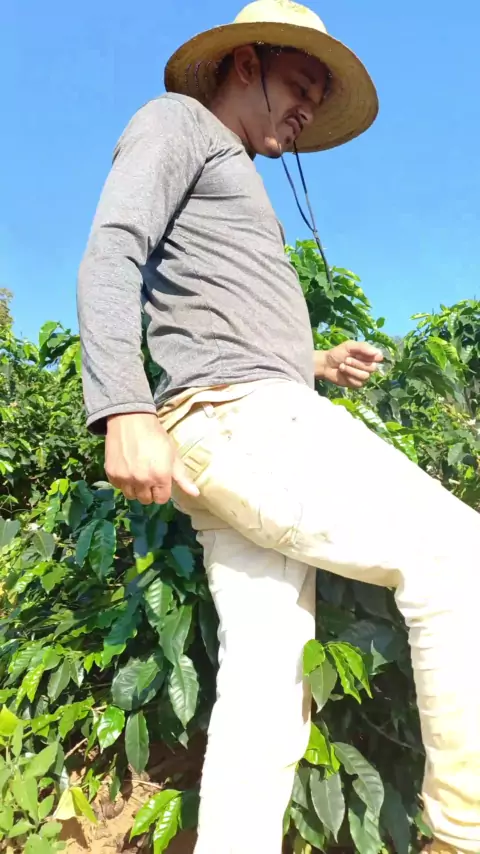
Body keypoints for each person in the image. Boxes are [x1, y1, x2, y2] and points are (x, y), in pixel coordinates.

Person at [77, 1, 480, 853]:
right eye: (299, 86)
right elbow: (112, 247)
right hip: (237, 419)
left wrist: (316, 360)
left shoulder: (236, 173)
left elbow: (217, 321)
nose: (305, 111)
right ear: (245, 64)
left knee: (266, 677)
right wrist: (122, 405)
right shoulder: (177, 121)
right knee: (457, 556)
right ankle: (462, 834)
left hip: (237, 420)